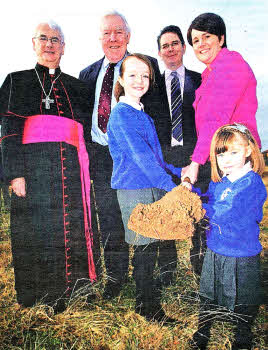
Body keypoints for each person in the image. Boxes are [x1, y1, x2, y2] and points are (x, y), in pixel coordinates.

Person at [0, 21, 96, 313]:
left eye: (56, 39)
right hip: (32, 170)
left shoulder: (77, 86)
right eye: (44, 39)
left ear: (64, 47)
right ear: (33, 43)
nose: (50, 44)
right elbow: (8, 130)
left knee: (69, 227)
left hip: (68, 169)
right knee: (34, 230)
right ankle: (34, 295)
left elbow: (85, 134)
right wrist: (15, 174)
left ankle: (71, 290)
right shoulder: (16, 80)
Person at [79, 11, 161, 299]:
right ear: (100, 38)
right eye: (106, 33)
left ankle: (147, 281)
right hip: (100, 158)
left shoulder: (144, 68)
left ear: (128, 36)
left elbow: (157, 115)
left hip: (134, 160)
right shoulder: (87, 75)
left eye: (118, 32)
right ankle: (115, 279)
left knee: (141, 218)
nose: (112, 38)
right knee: (109, 219)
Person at [107, 53, 182, 322]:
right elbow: (140, 158)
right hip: (134, 189)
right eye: (133, 75)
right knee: (143, 246)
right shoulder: (121, 115)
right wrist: (171, 189)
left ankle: (146, 300)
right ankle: (146, 306)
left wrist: (176, 172)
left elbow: (155, 158)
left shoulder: (143, 115)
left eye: (145, 76)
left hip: (151, 185)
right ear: (121, 80)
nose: (140, 81)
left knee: (150, 245)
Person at [186, 124, 266, 349]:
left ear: (249, 150)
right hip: (216, 247)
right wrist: (189, 189)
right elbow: (209, 199)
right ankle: (203, 330)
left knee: (243, 298)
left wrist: (196, 206)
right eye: (221, 154)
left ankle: (242, 335)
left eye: (234, 152)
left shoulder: (252, 183)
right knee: (209, 292)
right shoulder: (220, 181)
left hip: (241, 253)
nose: (226, 160)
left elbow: (226, 212)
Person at [183, 13, 262, 185]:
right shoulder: (208, 75)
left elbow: (216, 117)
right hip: (224, 159)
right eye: (195, 41)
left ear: (220, 39)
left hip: (237, 159)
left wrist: (195, 164)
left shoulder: (231, 64)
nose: (201, 44)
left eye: (207, 36)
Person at [155, 25, 208, 279]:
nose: (170, 49)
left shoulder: (202, 80)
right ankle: (168, 272)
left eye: (175, 43)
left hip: (197, 157)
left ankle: (201, 269)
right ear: (159, 52)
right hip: (166, 159)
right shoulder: (151, 86)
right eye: (165, 45)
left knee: (201, 215)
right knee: (167, 213)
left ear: (184, 48)